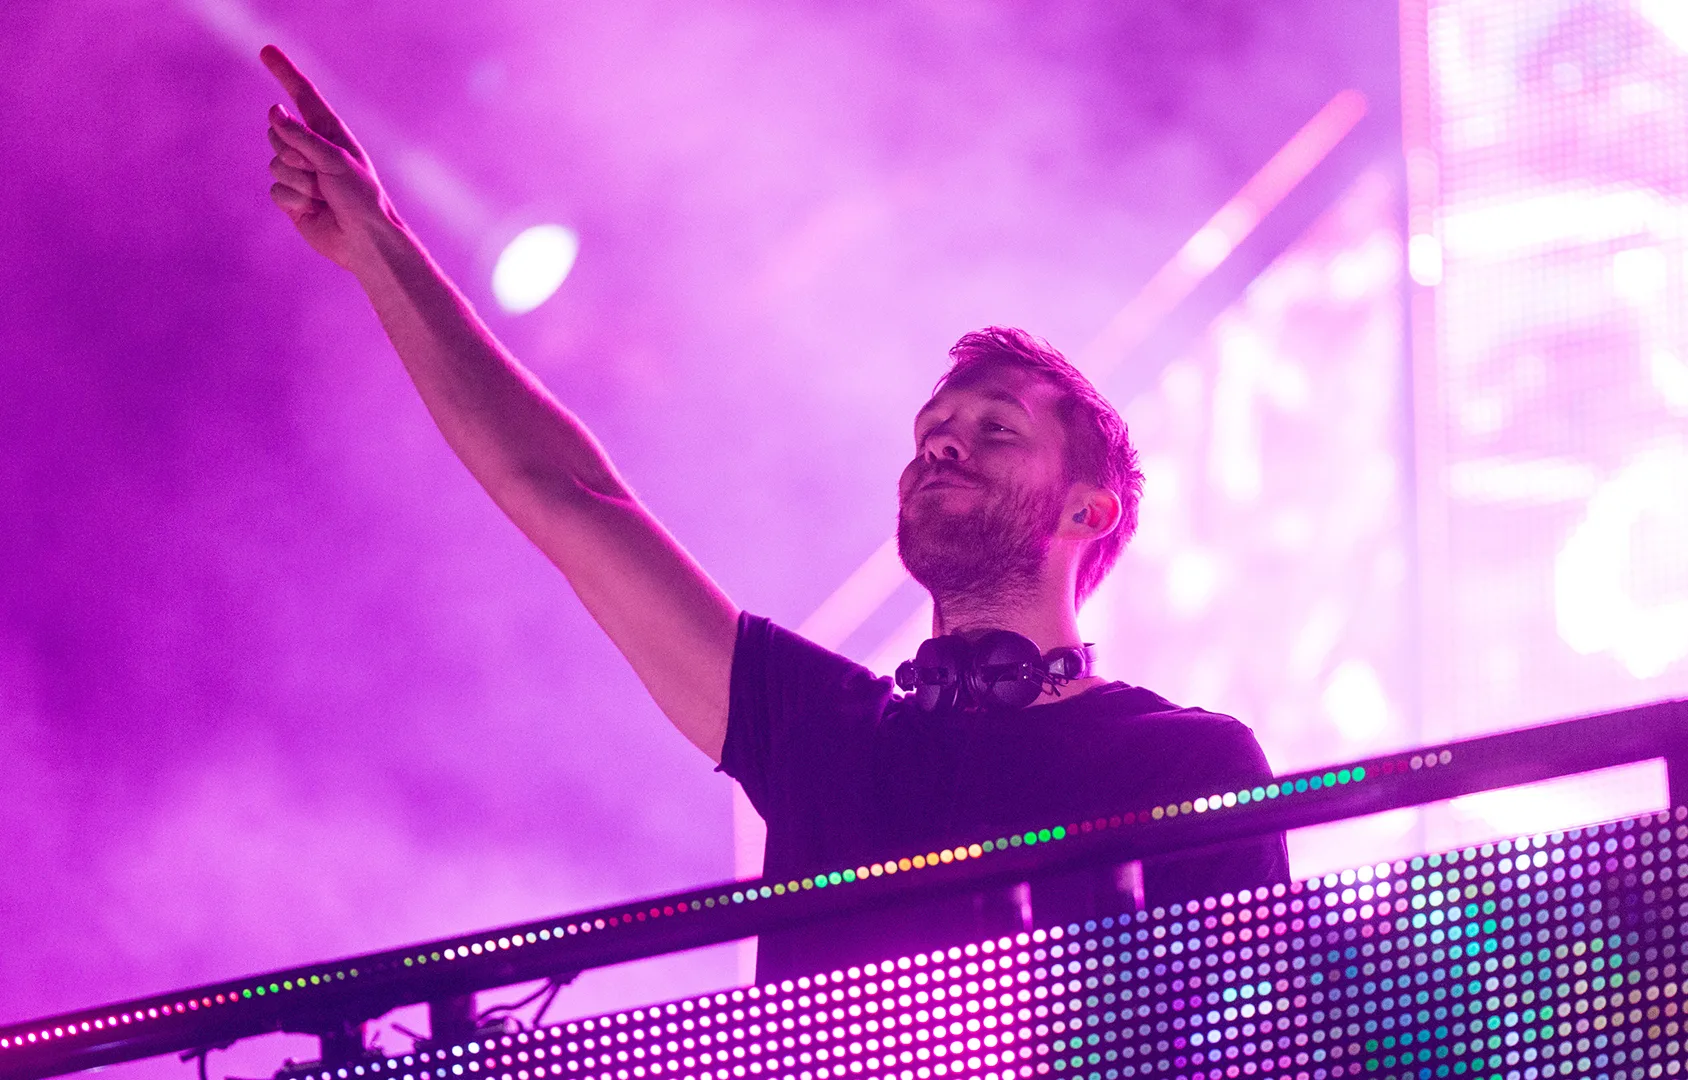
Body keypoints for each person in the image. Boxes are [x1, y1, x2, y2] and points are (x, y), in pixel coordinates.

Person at [258, 46, 1283, 982]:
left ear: (1085, 513)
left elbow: (1261, 1041)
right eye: (932, 429)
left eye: (996, 430)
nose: (943, 444)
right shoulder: (828, 738)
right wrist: (379, 246)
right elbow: (563, 496)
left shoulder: (1188, 763)